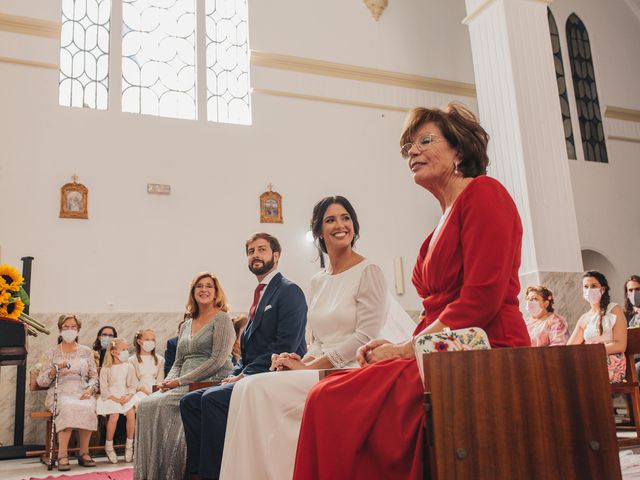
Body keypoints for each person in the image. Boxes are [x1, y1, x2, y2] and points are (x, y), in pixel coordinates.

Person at [292, 103, 531, 480]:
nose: (412, 152)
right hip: (441, 349)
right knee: (332, 390)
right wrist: (393, 345)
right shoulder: (440, 223)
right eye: (408, 148)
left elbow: (480, 300)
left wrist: (406, 348)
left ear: (459, 149)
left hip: (485, 346)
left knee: (330, 400)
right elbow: (433, 314)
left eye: (424, 141)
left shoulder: (485, 194)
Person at [219, 196, 414, 480]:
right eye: (331, 220)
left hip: (353, 368)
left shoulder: (368, 270)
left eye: (345, 218)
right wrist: (299, 359)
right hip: (321, 365)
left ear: (354, 226)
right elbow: (321, 340)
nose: (340, 225)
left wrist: (311, 367)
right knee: (247, 388)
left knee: (259, 390)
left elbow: (365, 336)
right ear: (319, 231)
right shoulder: (318, 280)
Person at [180, 233, 308, 480]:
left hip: (277, 374)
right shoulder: (259, 295)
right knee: (190, 402)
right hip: (251, 374)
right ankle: (196, 473)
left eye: (262, 249)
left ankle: (216, 474)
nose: (255, 255)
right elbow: (246, 351)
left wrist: (244, 375)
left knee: (212, 400)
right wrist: (235, 373)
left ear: (276, 255)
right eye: (251, 251)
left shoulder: (289, 291)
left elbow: (285, 346)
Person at [134, 273, 235, 480]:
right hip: (184, 379)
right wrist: (167, 383)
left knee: (160, 406)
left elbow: (217, 359)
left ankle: (175, 471)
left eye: (209, 286)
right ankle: (153, 472)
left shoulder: (222, 319)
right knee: (146, 404)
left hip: (210, 379)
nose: (204, 290)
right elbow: (178, 361)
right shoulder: (187, 323)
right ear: (193, 292)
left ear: (216, 292)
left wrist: (179, 381)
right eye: (199, 286)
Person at [37, 314, 99, 471]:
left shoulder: (86, 351)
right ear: (60, 330)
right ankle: (62, 455)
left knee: (88, 407)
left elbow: (94, 377)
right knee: (67, 407)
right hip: (60, 391)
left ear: (78, 330)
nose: (70, 330)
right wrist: (54, 370)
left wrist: (90, 389)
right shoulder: (51, 353)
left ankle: (84, 453)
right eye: (66, 327)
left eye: (73, 327)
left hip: (81, 390)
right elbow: (41, 381)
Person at [568, 270, 627, 382]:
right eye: (586, 287)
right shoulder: (584, 318)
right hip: (590, 361)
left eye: (593, 286)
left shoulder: (614, 309)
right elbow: (569, 348)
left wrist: (592, 351)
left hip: (612, 362)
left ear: (603, 289)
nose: (589, 290)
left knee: (580, 377)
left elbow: (620, 345)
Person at [96, 338, 137, 463]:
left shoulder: (129, 367)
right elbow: (104, 389)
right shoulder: (106, 368)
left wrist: (128, 396)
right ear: (114, 352)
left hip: (125, 396)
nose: (126, 352)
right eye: (123, 350)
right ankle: (109, 445)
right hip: (110, 397)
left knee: (131, 414)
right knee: (114, 416)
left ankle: (129, 445)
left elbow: (132, 385)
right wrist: (116, 399)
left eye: (127, 349)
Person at [130, 328, 165, 400]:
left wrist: (155, 393)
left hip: (156, 391)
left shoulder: (160, 360)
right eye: (147, 340)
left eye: (153, 340)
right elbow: (134, 382)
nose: (151, 342)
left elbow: (160, 380)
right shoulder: (132, 360)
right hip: (139, 392)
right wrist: (146, 393)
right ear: (139, 342)